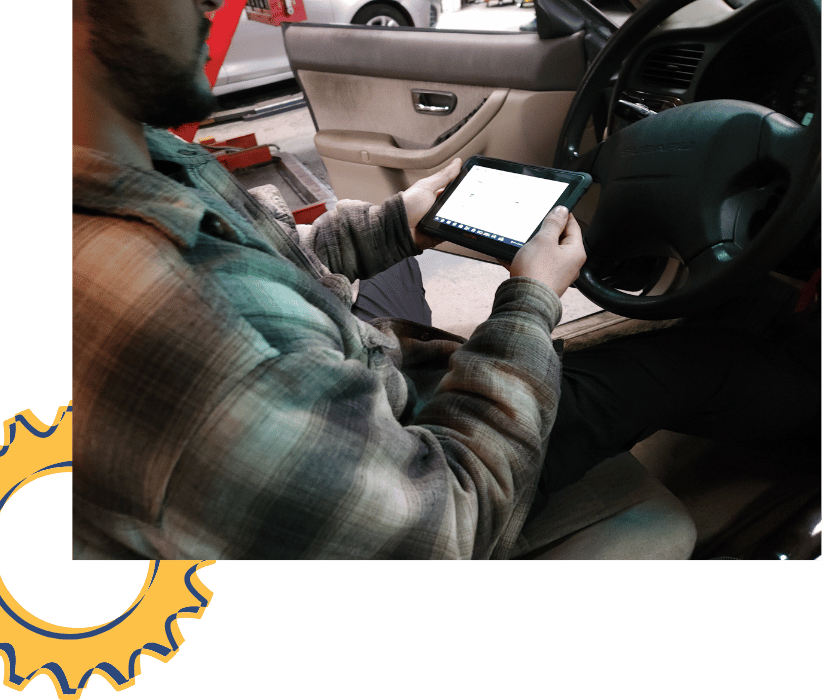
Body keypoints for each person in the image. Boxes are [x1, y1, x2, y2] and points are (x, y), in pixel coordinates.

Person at [72, 0, 819, 560]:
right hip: (417, 475)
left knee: (624, 354)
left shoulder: (139, 164)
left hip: (357, 397)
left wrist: (401, 223)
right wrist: (530, 300)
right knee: (688, 367)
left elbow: (265, 264)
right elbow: (441, 528)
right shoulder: (192, 320)